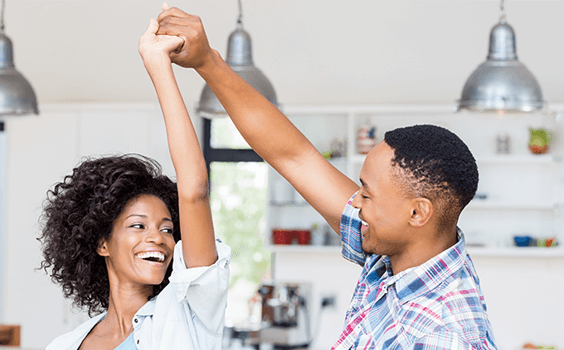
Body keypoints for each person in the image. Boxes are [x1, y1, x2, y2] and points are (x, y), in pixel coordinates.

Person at [156, 5, 497, 349]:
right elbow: (296, 158)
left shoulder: (440, 335)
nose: (355, 204)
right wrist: (207, 62)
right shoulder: (401, 257)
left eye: (367, 194)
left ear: (417, 213)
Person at [39, 10, 230, 350]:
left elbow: (194, 191)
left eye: (168, 228)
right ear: (102, 244)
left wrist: (159, 65)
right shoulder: (66, 345)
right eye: (138, 226)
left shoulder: (191, 314)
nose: (158, 238)